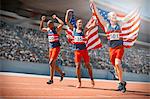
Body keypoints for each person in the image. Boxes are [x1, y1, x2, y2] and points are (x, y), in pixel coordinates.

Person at [91, 1, 128, 93]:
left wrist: (136, 10)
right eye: (113, 16)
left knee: (117, 63)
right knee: (115, 65)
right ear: (109, 18)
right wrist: (94, 7)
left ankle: (120, 83)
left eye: (115, 16)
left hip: (120, 47)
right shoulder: (107, 26)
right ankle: (122, 82)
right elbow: (99, 16)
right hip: (111, 49)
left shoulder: (120, 25)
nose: (114, 17)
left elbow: (128, 19)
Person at [65, 9, 96, 88]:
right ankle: (79, 82)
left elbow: (93, 26)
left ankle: (92, 79)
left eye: (81, 23)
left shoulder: (84, 30)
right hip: (77, 51)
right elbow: (67, 22)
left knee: (88, 65)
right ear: (76, 24)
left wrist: (95, 20)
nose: (80, 23)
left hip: (84, 50)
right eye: (79, 22)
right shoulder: (74, 29)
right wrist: (67, 13)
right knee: (78, 66)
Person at [40, 15, 65, 84]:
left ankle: (51, 79)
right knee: (52, 64)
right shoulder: (48, 29)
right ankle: (61, 73)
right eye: (47, 25)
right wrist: (42, 20)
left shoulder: (56, 29)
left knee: (51, 62)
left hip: (56, 47)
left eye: (49, 25)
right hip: (50, 48)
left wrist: (56, 17)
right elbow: (41, 28)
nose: (48, 26)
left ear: (52, 24)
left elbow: (62, 24)